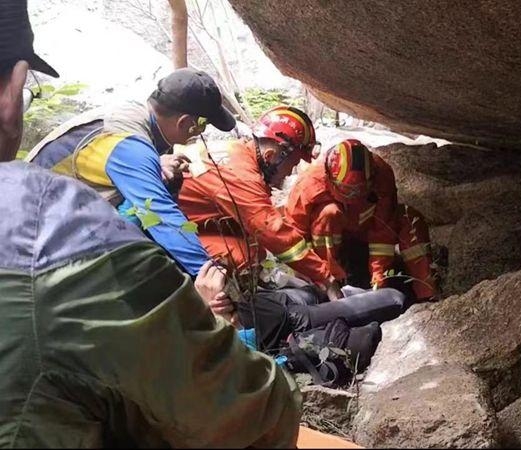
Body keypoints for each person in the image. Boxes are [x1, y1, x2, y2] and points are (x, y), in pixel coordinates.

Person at [0, 1, 301, 446]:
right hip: (57, 263)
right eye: (199, 128)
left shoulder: (127, 128)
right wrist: (213, 284)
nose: (198, 136)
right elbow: (160, 221)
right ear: (12, 92)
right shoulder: (128, 148)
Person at [175, 106, 404, 354]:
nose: (291, 172)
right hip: (230, 299)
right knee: (389, 300)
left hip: (244, 296)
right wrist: (325, 278)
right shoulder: (239, 174)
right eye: (293, 164)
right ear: (274, 155)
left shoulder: (236, 159)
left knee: (340, 296)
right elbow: (275, 230)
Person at [25, 67, 233, 278]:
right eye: (203, 125)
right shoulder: (128, 145)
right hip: (33, 242)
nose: (202, 133)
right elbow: (161, 216)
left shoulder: (137, 118)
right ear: (185, 123)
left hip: (47, 223)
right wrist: (209, 274)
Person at [285, 138, 439, 302]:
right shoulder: (310, 182)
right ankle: (330, 283)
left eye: (360, 190)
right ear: (329, 178)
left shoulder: (382, 174)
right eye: (347, 191)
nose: (354, 197)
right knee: (328, 213)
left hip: (365, 233)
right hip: (331, 242)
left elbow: (383, 231)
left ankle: (427, 293)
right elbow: (294, 234)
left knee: (410, 218)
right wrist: (313, 274)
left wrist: (379, 280)